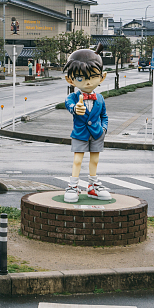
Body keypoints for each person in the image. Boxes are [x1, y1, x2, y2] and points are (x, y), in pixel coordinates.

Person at [62, 44, 111, 202]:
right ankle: (73, 185)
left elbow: (104, 115)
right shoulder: (74, 97)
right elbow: (69, 106)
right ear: (70, 79)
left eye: (92, 77)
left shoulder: (100, 98)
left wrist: (104, 129)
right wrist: (76, 109)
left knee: (95, 160)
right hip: (80, 134)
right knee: (77, 160)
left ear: (102, 77)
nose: (88, 83)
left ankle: (93, 185)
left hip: (97, 134)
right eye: (81, 78)